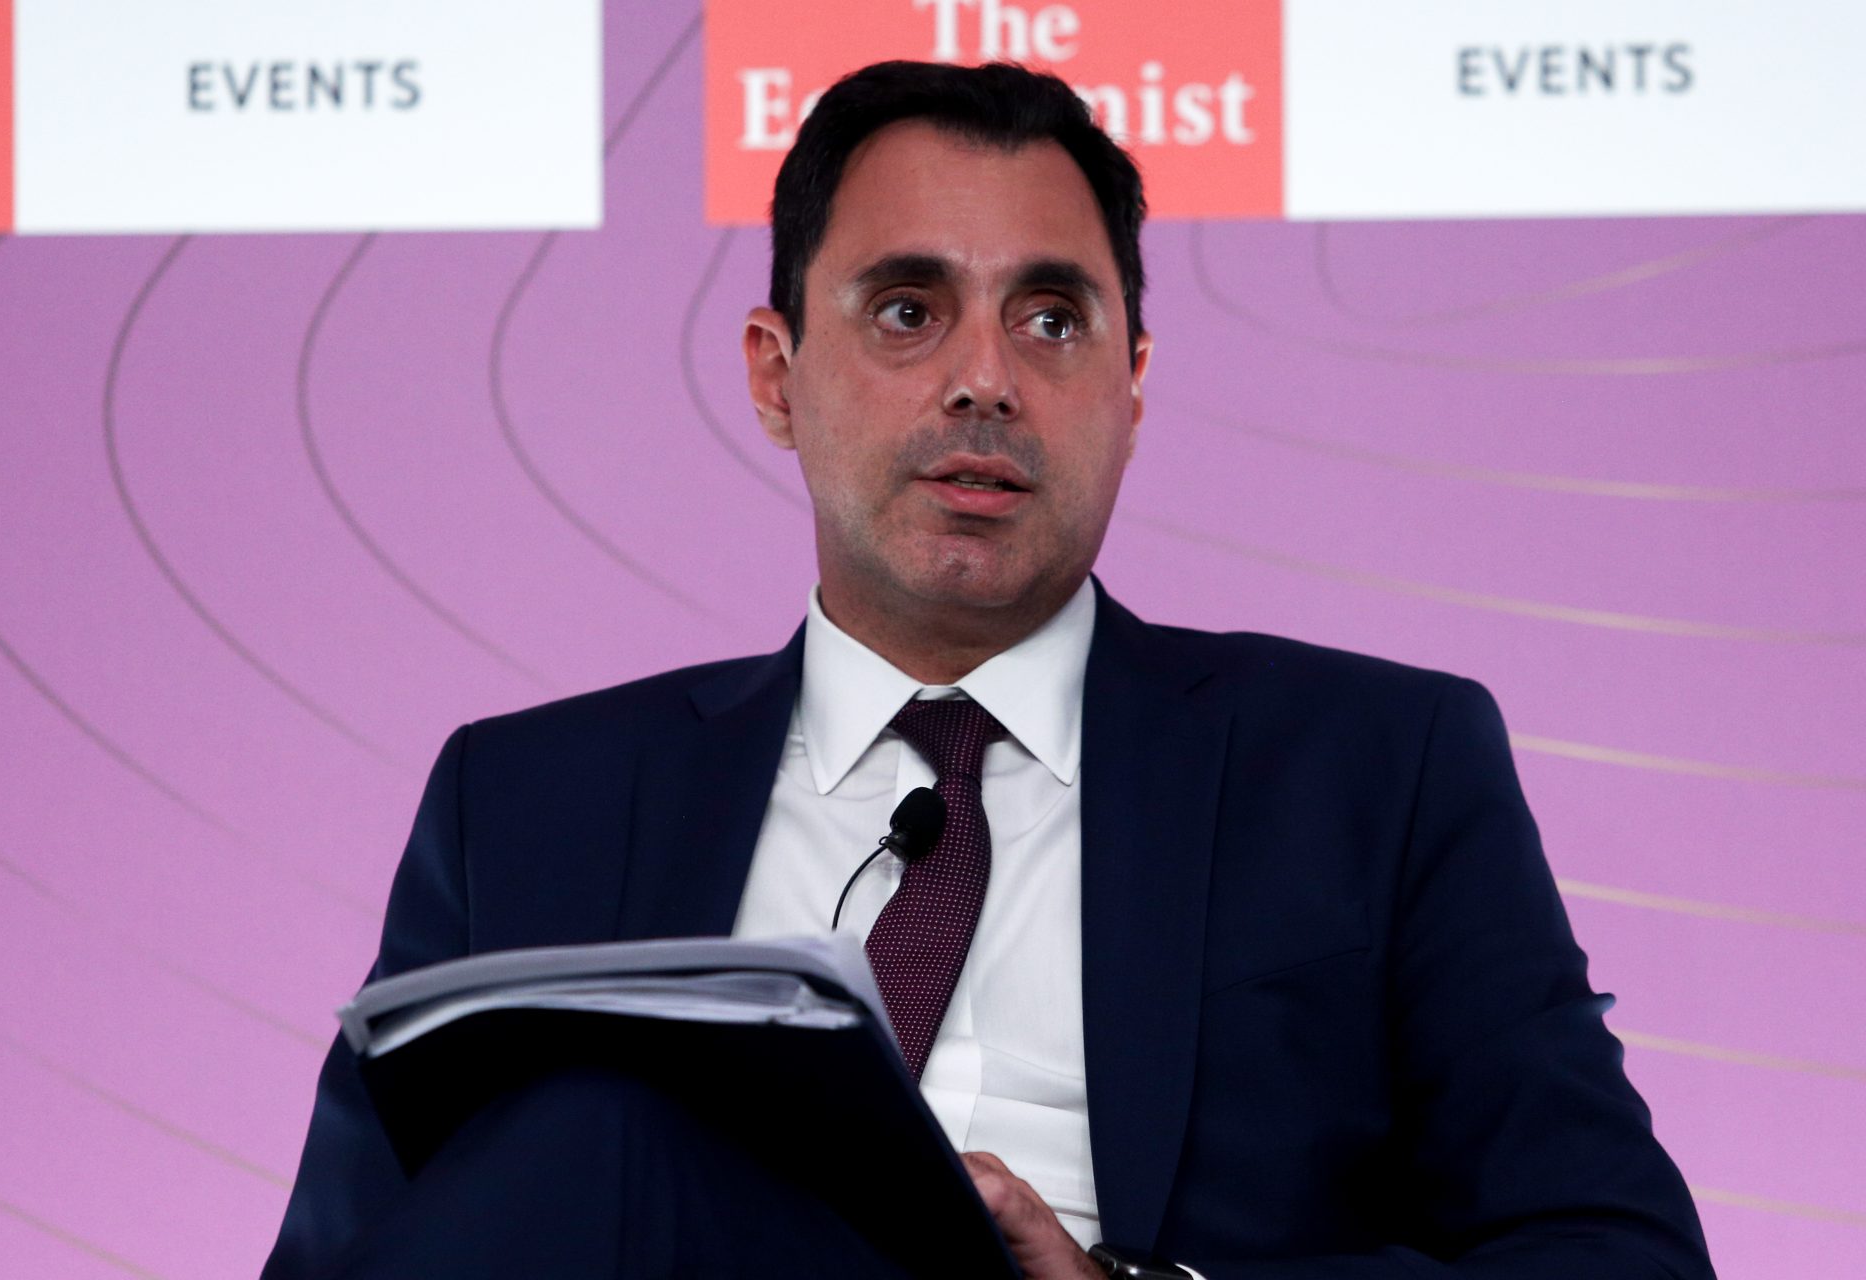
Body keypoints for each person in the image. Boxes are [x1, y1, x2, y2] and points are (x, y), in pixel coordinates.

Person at [264, 61, 1715, 1279]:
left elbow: (1615, 1257)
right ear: (776, 374)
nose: (986, 378)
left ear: (1131, 386)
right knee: (594, 1132)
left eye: (1052, 319)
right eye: (908, 311)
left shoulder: (1374, 768)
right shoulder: (529, 800)